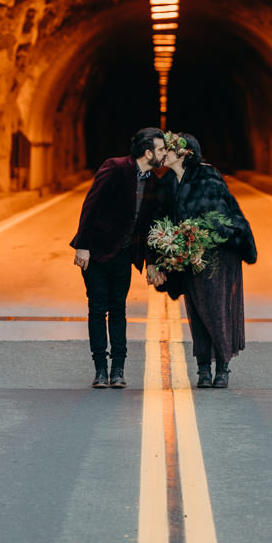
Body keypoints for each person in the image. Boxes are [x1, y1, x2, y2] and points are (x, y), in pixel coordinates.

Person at [147, 132, 257, 389]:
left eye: (169, 150)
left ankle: (223, 366)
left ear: (185, 154)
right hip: (189, 255)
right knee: (196, 311)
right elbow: (157, 221)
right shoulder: (166, 183)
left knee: (215, 309)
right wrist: (162, 255)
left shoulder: (207, 177)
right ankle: (203, 368)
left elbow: (220, 220)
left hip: (219, 254)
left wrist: (197, 244)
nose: (164, 154)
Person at [70, 127, 167, 389]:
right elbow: (91, 204)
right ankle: (100, 369)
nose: (164, 154)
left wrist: (151, 261)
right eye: (160, 149)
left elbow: (150, 226)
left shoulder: (154, 182)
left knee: (119, 310)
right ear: (148, 152)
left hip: (125, 255)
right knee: (97, 309)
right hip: (98, 252)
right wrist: (83, 245)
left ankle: (118, 370)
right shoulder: (114, 167)